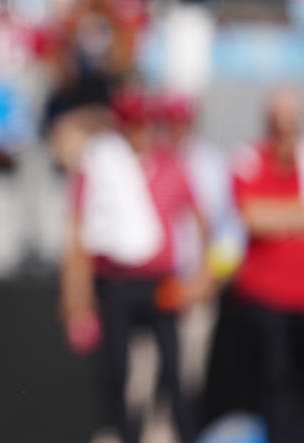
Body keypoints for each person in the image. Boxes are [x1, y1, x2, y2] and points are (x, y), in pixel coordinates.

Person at [60, 87, 213, 443]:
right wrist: (77, 300)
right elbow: (79, 233)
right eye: (130, 123)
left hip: (161, 282)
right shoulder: (100, 164)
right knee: (118, 370)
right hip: (115, 282)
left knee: (175, 370)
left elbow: (200, 221)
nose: (137, 132)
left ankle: (183, 433)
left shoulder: (171, 164)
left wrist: (202, 276)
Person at [227, 87, 304, 443]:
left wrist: (281, 215)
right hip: (268, 297)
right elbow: (253, 216)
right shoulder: (251, 158)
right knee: (275, 388)